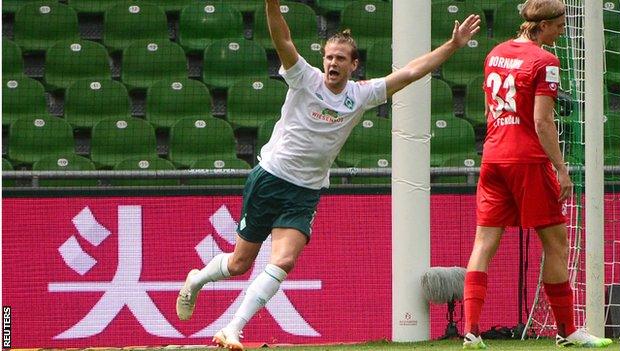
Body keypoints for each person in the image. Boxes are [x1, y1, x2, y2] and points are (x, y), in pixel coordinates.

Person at [176, 1, 480, 349]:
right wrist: (271, 4)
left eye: (340, 58)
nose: (333, 63)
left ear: (354, 64)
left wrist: (453, 45)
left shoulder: (361, 94)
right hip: (270, 177)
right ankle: (197, 279)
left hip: (305, 191)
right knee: (239, 263)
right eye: (329, 57)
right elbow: (283, 39)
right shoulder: (304, 79)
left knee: (284, 260)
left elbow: (411, 71)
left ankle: (233, 329)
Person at [461, 0, 613, 349]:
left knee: (483, 243)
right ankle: (567, 331)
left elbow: (488, 109)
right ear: (543, 25)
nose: (562, 31)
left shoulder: (495, 53)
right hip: (527, 160)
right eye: (559, 25)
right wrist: (561, 169)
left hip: (493, 156)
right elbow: (543, 121)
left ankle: (471, 331)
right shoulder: (546, 62)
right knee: (556, 243)